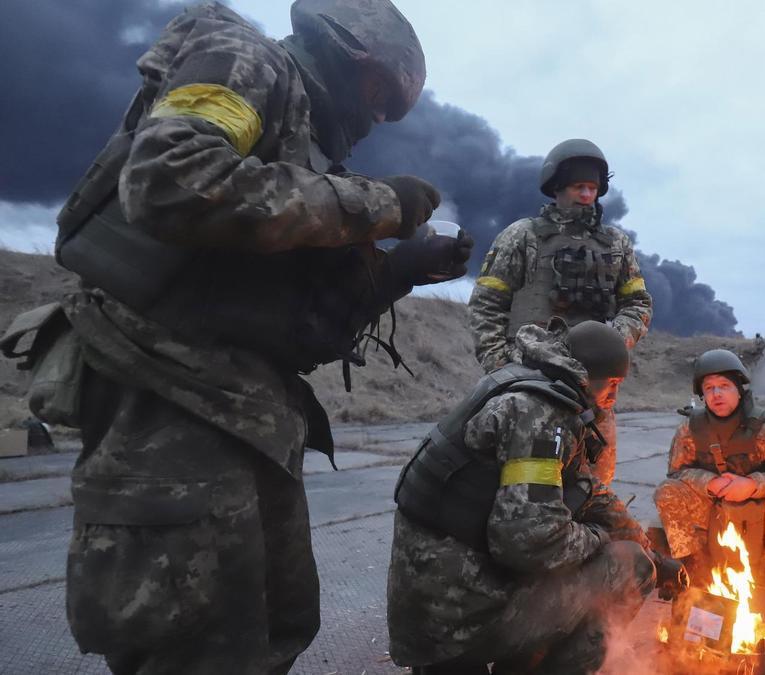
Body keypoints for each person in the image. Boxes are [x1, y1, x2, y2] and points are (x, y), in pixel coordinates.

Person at [7, 2, 471, 672]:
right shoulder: (246, 61)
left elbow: (298, 328)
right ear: (344, 51)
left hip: (247, 415)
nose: (372, 123)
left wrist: (400, 271)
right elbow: (169, 179)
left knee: (273, 626)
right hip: (167, 395)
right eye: (377, 99)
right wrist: (378, 205)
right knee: (191, 642)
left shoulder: (304, 163)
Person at [388, 320, 683, 675]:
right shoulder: (541, 415)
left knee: (633, 554)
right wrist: (602, 540)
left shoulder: (523, 381)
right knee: (631, 566)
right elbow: (530, 542)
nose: (614, 397)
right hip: (460, 622)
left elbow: (588, 493)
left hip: (431, 609)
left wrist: (655, 551)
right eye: (614, 384)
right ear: (589, 376)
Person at [467, 139, 652, 485]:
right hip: (530, 380)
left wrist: (612, 342)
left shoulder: (615, 245)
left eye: (593, 188)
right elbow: (486, 303)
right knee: (522, 483)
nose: (586, 195)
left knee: (593, 489)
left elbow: (638, 303)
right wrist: (501, 365)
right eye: (578, 186)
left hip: (593, 390)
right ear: (556, 188)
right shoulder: (522, 237)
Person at [654, 349, 765, 621]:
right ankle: (698, 580)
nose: (717, 394)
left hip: (761, 508)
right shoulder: (691, 429)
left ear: (739, 389)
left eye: (724, 386)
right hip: (712, 504)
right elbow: (677, 473)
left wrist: (753, 484)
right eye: (710, 388)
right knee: (667, 493)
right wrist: (709, 482)